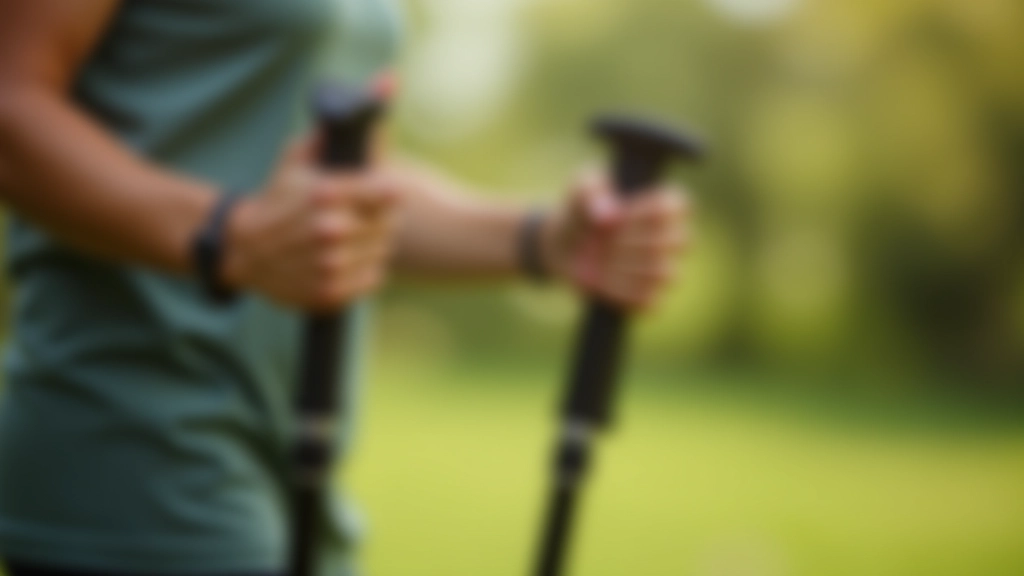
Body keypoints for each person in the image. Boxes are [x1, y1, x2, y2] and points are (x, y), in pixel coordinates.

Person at [0, 1, 692, 575]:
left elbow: (352, 201)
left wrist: (547, 239)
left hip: (299, 453)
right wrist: (231, 234)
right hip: (135, 441)